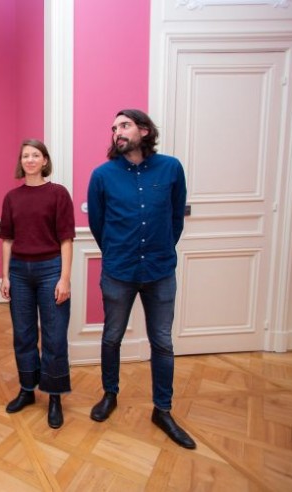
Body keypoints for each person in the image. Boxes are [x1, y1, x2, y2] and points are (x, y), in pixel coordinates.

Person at [87, 109, 196, 449]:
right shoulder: (102, 175)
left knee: (162, 342)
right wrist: (117, 251)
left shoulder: (171, 168)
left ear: (144, 130)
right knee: (112, 337)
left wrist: (161, 248)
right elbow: (98, 225)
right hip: (119, 271)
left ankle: (163, 410)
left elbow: (176, 217)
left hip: (160, 271)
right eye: (113, 128)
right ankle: (110, 394)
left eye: (124, 125)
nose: (117, 132)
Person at [0, 139, 75, 429]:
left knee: (54, 336)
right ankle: (27, 389)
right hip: (19, 272)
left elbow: (66, 239)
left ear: (44, 160)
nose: (30, 160)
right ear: (21, 162)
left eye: (35, 155)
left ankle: (54, 396)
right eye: (25, 156)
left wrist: (64, 278)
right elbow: (7, 240)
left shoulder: (58, 194)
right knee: (23, 334)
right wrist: (5, 276)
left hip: (50, 270)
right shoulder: (11, 197)